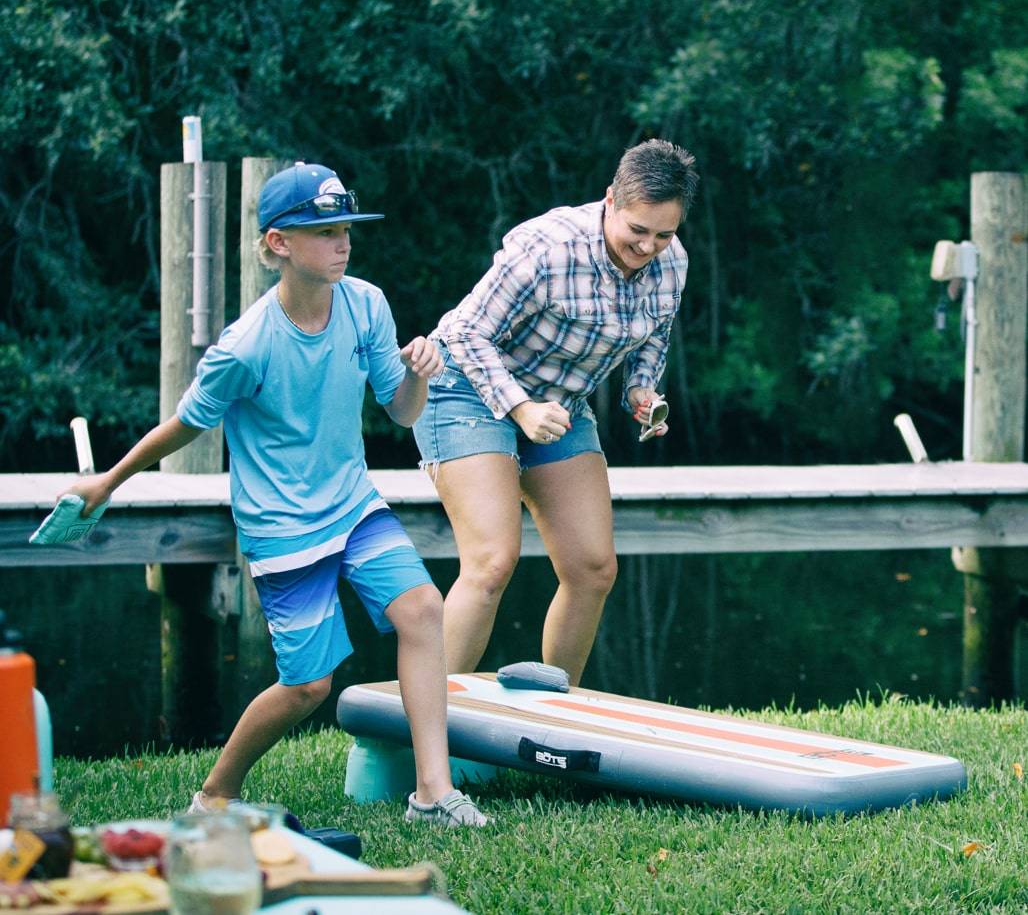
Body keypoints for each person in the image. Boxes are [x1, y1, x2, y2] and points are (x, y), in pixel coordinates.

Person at [62, 162, 489, 828]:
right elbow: (184, 425)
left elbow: (401, 412)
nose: (342, 241)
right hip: (283, 525)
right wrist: (108, 483)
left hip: (353, 505)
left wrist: (419, 377)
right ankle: (213, 794)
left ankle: (432, 793)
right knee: (307, 688)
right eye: (323, 231)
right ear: (278, 244)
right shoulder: (246, 345)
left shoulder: (367, 305)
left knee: (423, 608)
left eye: (346, 227)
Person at [414, 139, 699, 686]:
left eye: (664, 234)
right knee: (492, 562)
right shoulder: (548, 248)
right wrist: (518, 408)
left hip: (559, 405)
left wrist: (641, 392)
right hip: (465, 389)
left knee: (593, 569)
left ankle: (547, 715)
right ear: (611, 200)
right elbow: (463, 332)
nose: (648, 247)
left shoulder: (672, 262)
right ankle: (417, 730)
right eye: (638, 230)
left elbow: (653, 337)